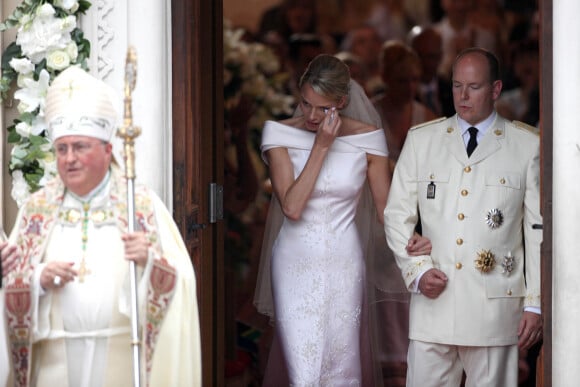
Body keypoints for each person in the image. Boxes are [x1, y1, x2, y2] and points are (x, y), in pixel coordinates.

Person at [0, 66, 201, 386]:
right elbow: (10, 284)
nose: (69, 158)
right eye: (62, 149)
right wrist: (39, 279)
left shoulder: (141, 206)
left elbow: (183, 281)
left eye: (80, 147)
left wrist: (149, 262)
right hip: (55, 367)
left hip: (121, 363)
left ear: (108, 150)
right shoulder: (35, 211)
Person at [253, 54, 430, 385]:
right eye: (306, 104)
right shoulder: (278, 135)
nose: (311, 115)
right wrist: (321, 146)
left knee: (341, 367)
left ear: (342, 102)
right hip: (294, 262)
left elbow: (385, 210)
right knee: (303, 371)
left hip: (344, 262)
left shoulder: (368, 138)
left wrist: (415, 239)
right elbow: (291, 206)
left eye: (322, 108)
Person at [384, 47, 542, 387]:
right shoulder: (422, 140)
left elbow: (537, 231)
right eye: (457, 86)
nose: (463, 96)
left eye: (474, 86)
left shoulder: (526, 146)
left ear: (496, 89)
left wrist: (535, 304)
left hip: (495, 309)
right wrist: (417, 272)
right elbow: (396, 214)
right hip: (433, 305)